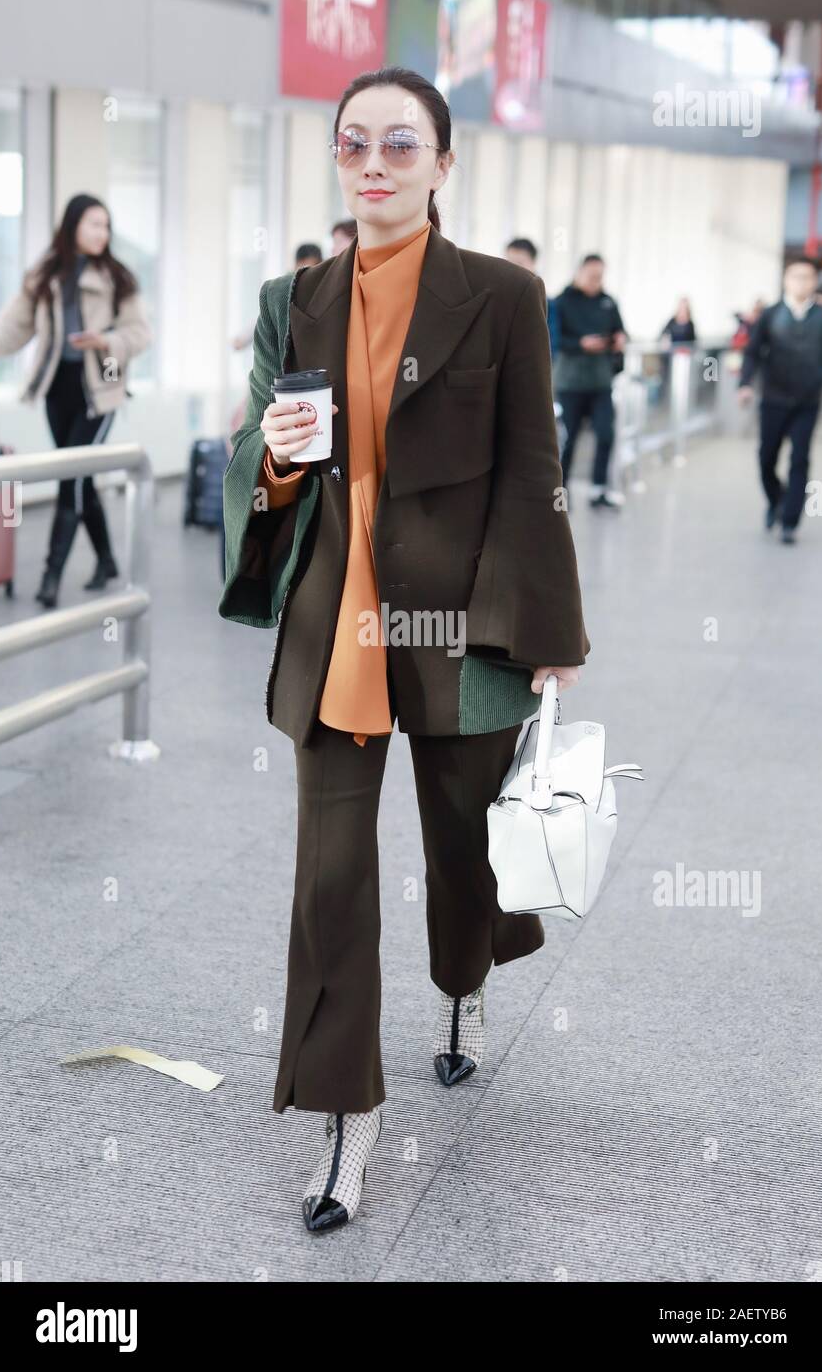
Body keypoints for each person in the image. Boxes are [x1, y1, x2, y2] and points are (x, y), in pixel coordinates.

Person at [219, 66, 590, 1233]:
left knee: (463, 849)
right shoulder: (297, 299)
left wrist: (549, 631)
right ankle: (347, 1118)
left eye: (396, 144)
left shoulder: (502, 296)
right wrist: (274, 457)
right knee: (328, 878)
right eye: (349, 145)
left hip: (459, 620)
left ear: (440, 163)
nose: (370, 163)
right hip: (337, 617)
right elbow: (260, 465)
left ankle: (465, 980)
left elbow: (533, 469)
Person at [0, 193, 151, 606]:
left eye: (107, 226)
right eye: (95, 223)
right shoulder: (45, 273)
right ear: (72, 225)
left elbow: (140, 334)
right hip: (56, 387)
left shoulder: (118, 277)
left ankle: (50, 577)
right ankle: (108, 560)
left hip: (101, 388)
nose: (103, 233)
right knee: (80, 475)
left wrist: (105, 340)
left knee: (71, 476)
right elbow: (17, 322)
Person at [738, 257, 822, 544]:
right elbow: (753, 351)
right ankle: (775, 499)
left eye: (807, 277)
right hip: (773, 398)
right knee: (766, 458)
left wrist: (821, 375)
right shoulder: (770, 314)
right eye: (795, 277)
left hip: (807, 401)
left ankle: (790, 521)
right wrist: (745, 383)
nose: (801, 282)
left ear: (815, 281)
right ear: (785, 279)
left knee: (800, 458)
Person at [553, 254, 627, 509]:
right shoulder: (560, 302)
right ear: (579, 272)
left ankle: (599, 490)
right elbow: (554, 339)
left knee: (606, 434)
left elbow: (620, 330)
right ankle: (562, 493)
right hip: (570, 383)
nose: (597, 281)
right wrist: (580, 344)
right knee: (568, 439)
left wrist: (619, 340)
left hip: (600, 382)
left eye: (601, 276)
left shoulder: (608, 302)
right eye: (593, 276)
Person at [505, 236, 559, 360]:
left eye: (519, 263)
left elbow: (551, 346)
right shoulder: (498, 297)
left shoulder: (546, 302)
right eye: (508, 262)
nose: (512, 268)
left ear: (533, 263)